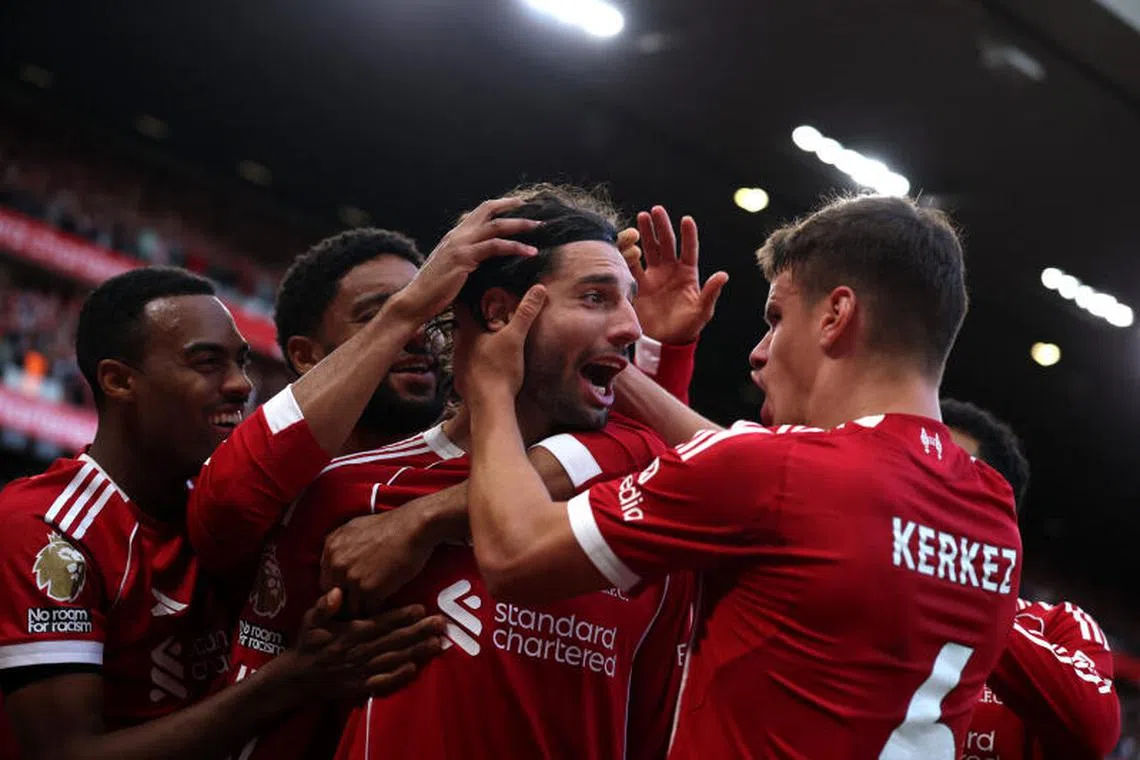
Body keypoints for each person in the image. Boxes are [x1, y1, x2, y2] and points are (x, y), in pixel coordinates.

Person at [462, 194, 1023, 759]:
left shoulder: (776, 473)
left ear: (836, 316)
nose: (759, 353)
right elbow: (758, 475)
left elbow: (516, 553)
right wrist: (626, 361)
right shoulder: (991, 507)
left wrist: (488, 384)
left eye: (777, 318)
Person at [201, 186, 716, 759]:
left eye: (627, 301)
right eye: (596, 298)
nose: (628, 326)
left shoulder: (642, 504)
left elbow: (654, 732)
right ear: (499, 311)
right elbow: (265, 731)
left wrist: (427, 520)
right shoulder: (345, 494)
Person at [0, 267, 447, 760]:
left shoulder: (229, 511)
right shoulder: (45, 528)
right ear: (119, 381)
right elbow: (66, 754)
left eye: (242, 362)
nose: (241, 385)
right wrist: (294, 678)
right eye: (207, 362)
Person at [941, 399, 1120, 760]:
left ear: (994, 516)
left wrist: (957, 596)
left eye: (945, 474)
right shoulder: (849, 593)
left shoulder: (1057, 625)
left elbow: (1095, 732)